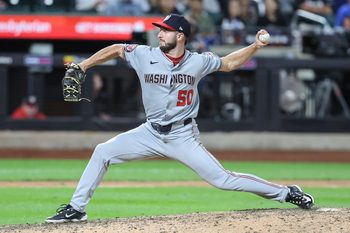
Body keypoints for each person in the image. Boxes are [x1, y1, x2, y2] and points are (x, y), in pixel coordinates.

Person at [45, 14, 314, 223]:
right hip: (150, 132)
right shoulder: (144, 54)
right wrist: (83, 66)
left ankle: (286, 192)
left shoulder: (198, 61)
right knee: (103, 151)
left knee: (223, 180)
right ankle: (76, 209)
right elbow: (116, 49)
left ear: (181, 35)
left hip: (182, 135)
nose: (159, 34)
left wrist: (255, 45)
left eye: (165, 30)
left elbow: (229, 63)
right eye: (160, 30)